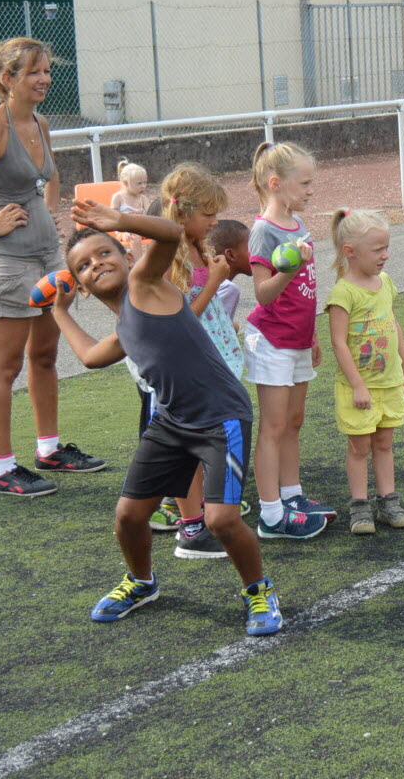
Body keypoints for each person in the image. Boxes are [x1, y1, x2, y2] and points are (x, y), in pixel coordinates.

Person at [54, 203, 283, 635]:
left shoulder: (145, 284)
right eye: (83, 266)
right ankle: (141, 582)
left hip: (220, 417)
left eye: (104, 254)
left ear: (125, 259)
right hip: (173, 422)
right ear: (81, 286)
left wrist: (118, 221)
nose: (95, 265)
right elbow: (88, 357)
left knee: (221, 521)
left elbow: (168, 234)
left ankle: (259, 590)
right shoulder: (124, 326)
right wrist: (59, 312)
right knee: (128, 515)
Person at [0, 36, 104, 498]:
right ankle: (2, 468)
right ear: (8, 79)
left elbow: (50, 177)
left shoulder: (41, 123)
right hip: (8, 264)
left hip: (48, 257)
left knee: (45, 356)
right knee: (4, 366)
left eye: (47, 70)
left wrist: (51, 214)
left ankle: (48, 449)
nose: (44, 78)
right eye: (34, 72)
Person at [246, 141, 334, 539]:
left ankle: (292, 496)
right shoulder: (263, 230)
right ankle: (270, 515)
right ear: (276, 183)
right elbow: (263, 293)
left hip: (296, 339)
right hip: (271, 340)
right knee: (274, 426)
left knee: (294, 422)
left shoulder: (298, 226)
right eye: (305, 183)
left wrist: (311, 334)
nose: (310, 190)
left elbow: (306, 291)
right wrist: (289, 265)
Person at [158, 163, 246, 559]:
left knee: (207, 438)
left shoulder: (196, 246)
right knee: (187, 445)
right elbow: (181, 319)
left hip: (208, 356)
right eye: (208, 215)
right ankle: (191, 525)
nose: (214, 222)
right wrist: (212, 283)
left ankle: (205, 512)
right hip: (186, 362)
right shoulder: (166, 255)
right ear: (184, 212)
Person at [326, 209, 404, 534]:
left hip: (388, 383)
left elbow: (393, 324)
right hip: (359, 389)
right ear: (350, 251)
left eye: (386, 247)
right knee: (359, 448)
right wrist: (357, 385)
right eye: (377, 249)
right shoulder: (343, 293)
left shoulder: (385, 283)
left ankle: (388, 502)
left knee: (384, 443)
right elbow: (338, 343)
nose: (385, 255)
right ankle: (360, 508)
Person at [111, 158, 151, 261]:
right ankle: (139, 264)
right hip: (124, 229)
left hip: (140, 228)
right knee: (135, 237)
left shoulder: (143, 199)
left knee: (156, 234)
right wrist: (123, 232)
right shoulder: (118, 198)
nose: (143, 186)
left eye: (145, 182)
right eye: (139, 183)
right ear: (125, 183)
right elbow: (113, 217)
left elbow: (151, 216)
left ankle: (151, 260)